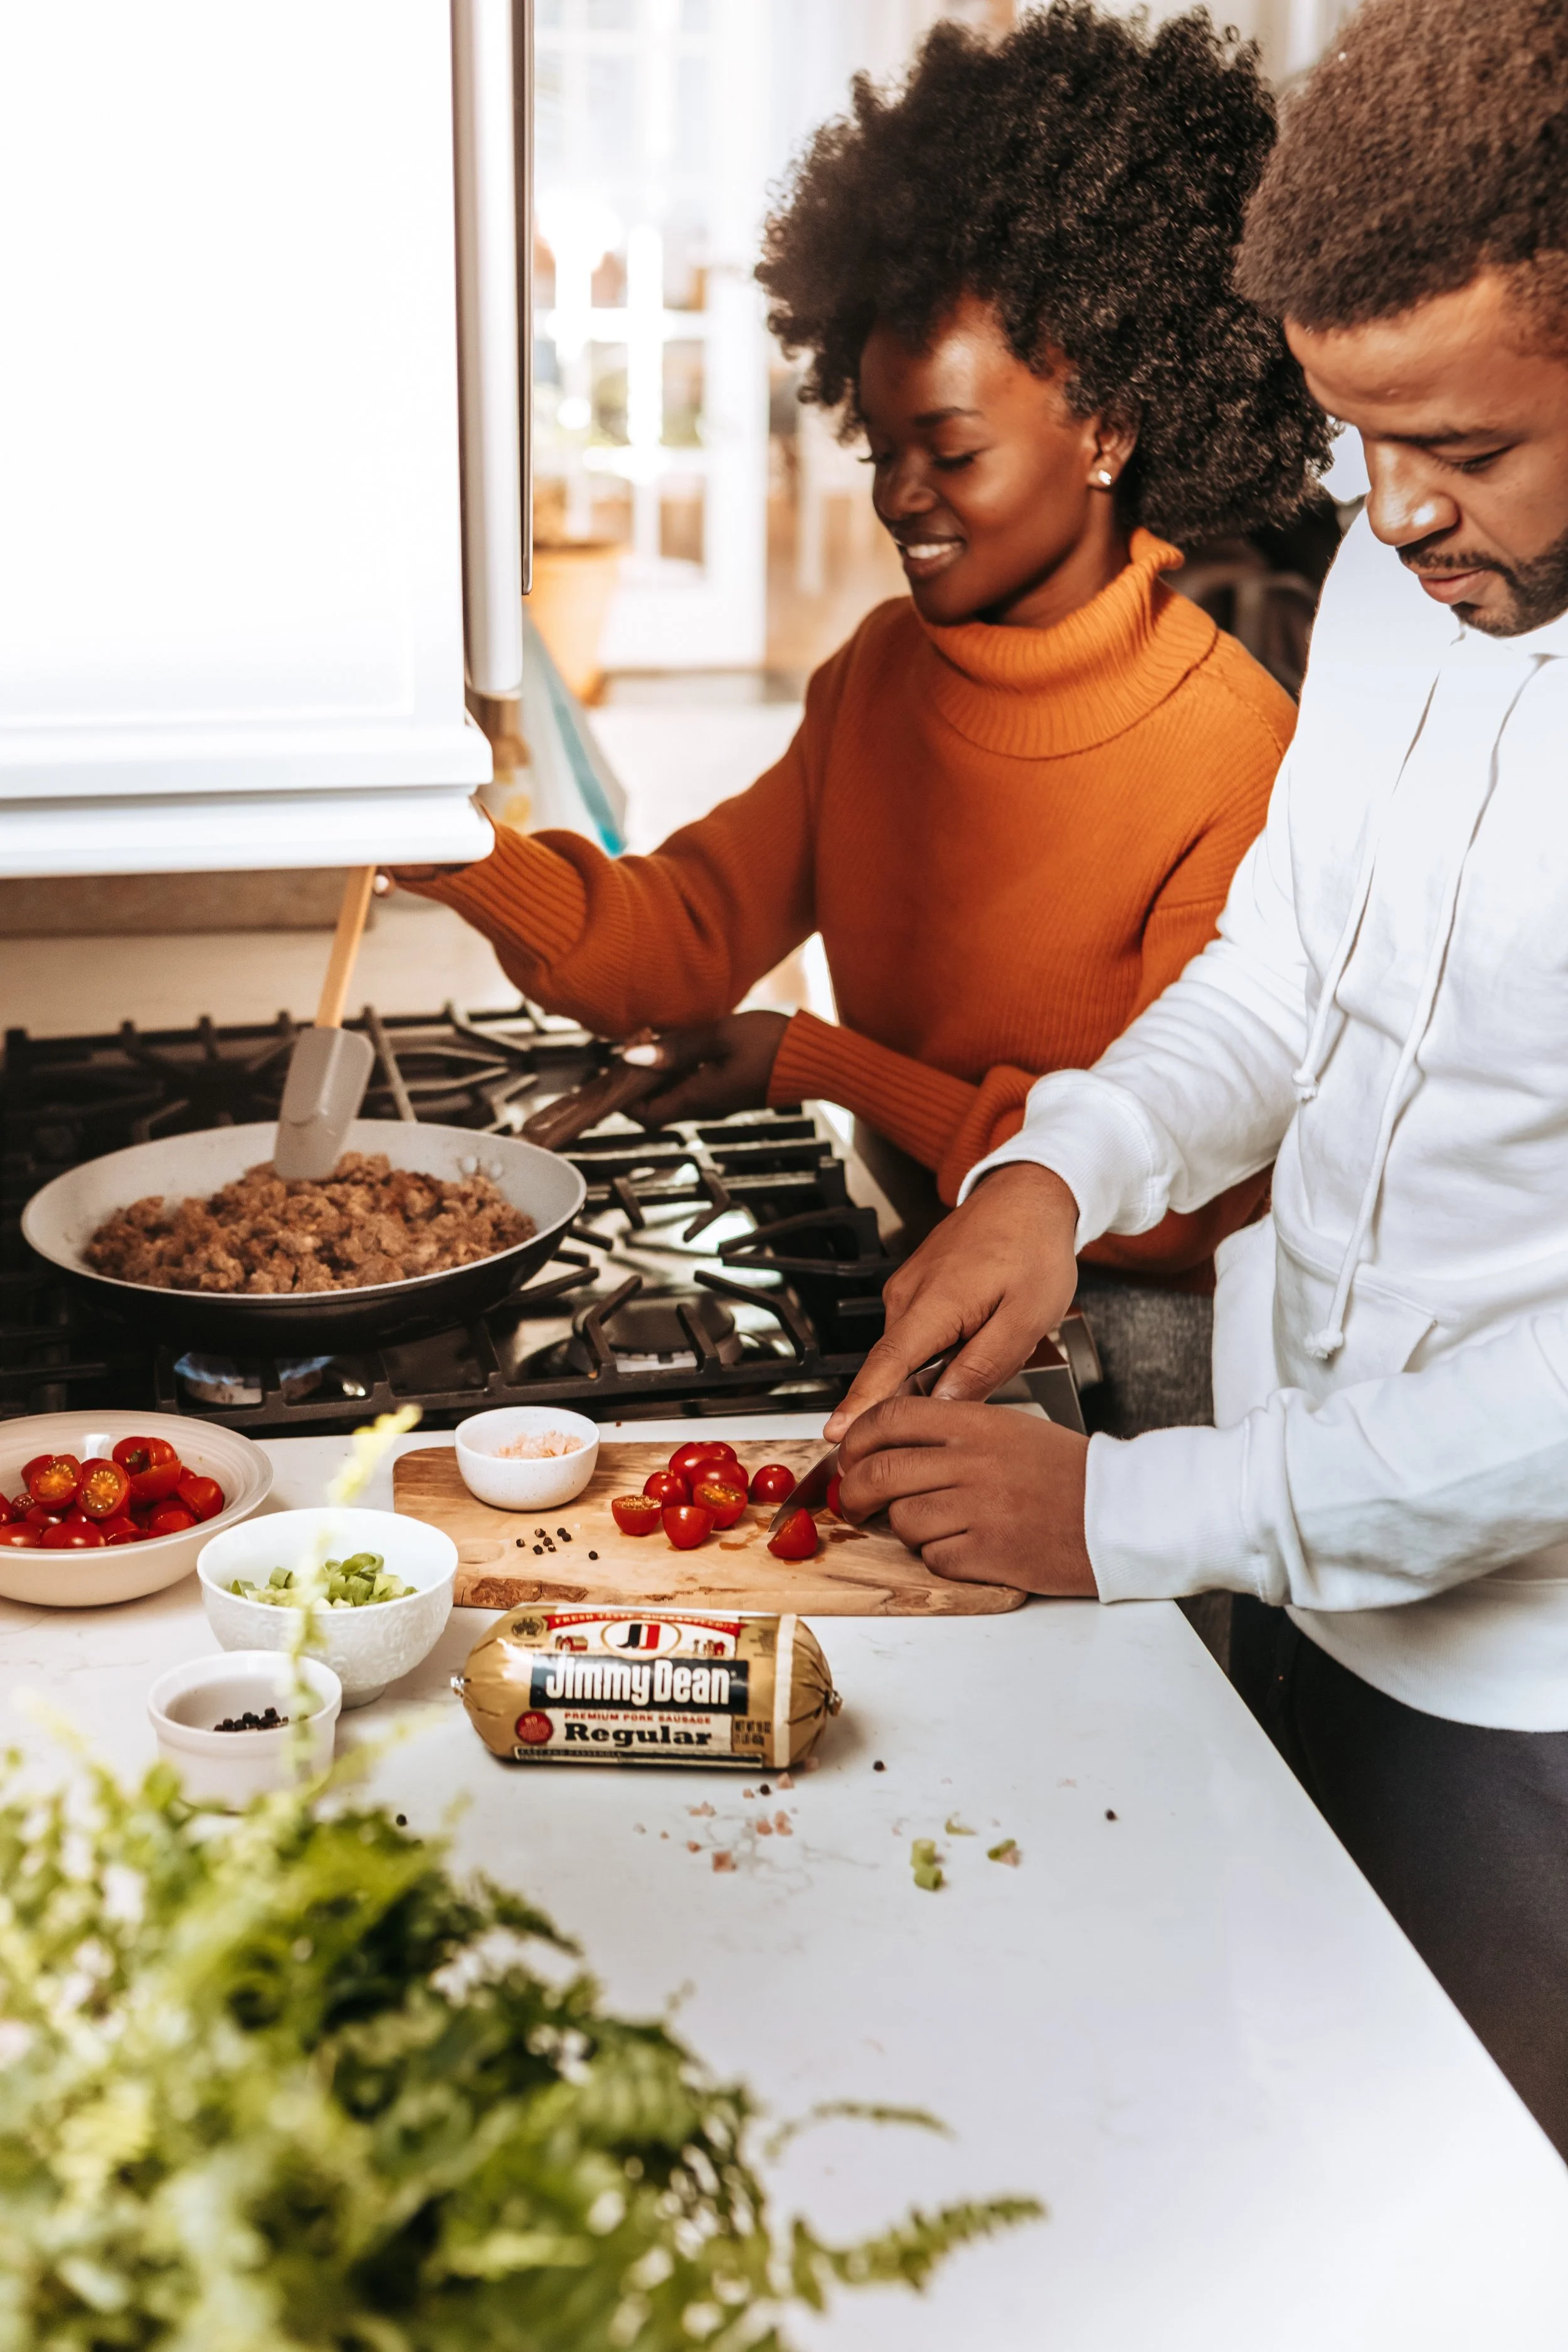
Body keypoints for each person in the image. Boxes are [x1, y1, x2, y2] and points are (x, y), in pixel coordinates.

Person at [827, 0, 1568, 2152]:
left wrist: (1127, 1512)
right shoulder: (1415, 592)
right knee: (1289, 2167)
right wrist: (1068, 1167)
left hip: (1532, 1702)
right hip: (1305, 1574)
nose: (1395, 514)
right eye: (1354, 441)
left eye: (1464, 448)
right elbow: (1290, 970)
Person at [396, 3, 1327, 1281]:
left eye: (948, 453)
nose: (895, 496)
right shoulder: (881, 674)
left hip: (1127, 1340)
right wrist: (449, 843)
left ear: (1106, 431)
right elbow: (675, 941)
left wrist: (819, 1062)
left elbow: (1177, 1217)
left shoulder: (1233, 757)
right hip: (915, 1247)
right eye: (877, 448)